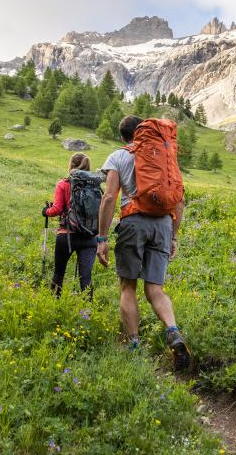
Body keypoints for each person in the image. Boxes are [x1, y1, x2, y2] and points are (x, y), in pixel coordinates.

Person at [96, 115, 190, 369]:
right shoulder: (163, 155)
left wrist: (102, 238)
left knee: (128, 287)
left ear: (123, 136)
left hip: (133, 221)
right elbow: (179, 200)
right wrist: (173, 236)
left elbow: (108, 198)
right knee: (155, 289)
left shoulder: (118, 156)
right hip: (162, 224)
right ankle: (173, 331)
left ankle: (135, 344)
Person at [43, 153, 98, 298]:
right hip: (89, 237)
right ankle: (88, 313)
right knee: (86, 277)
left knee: (59, 273)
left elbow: (56, 210)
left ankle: (54, 306)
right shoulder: (94, 187)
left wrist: (45, 211)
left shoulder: (63, 184)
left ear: (71, 165)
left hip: (67, 235)